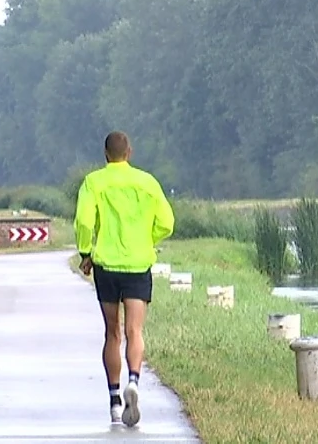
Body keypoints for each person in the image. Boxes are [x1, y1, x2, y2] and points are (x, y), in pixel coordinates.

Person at [74, 130, 175, 426]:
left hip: (107, 264)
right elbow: (167, 223)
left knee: (112, 333)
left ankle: (115, 401)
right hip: (138, 262)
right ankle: (134, 380)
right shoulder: (147, 182)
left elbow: (83, 220)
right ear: (129, 153)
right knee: (135, 331)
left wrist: (85, 251)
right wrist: (148, 238)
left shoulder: (94, 182)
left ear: (106, 155)